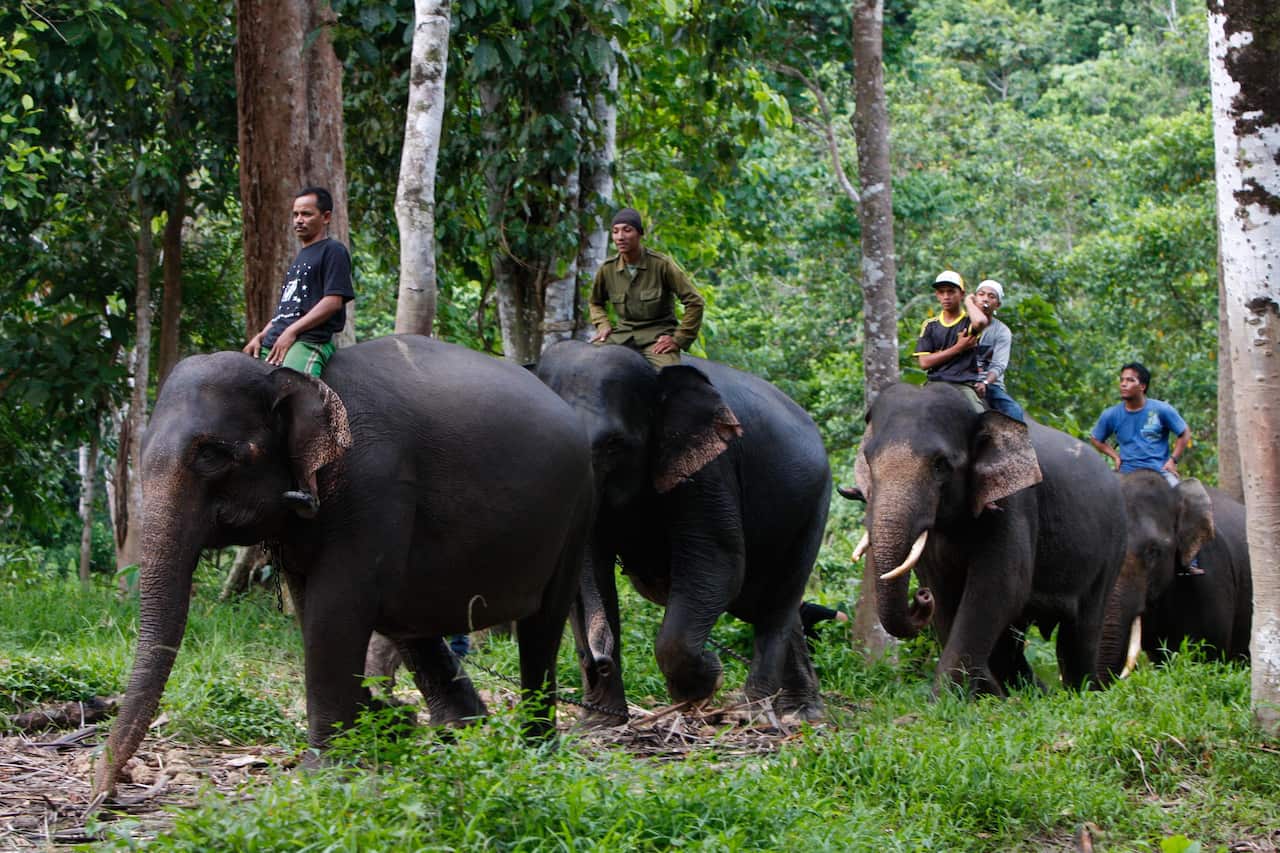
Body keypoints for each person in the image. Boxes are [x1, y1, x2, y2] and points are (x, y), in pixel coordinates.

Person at [243, 186, 355, 515]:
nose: (298, 220)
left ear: (326, 217)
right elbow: (289, 309)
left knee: (294, 397)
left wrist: (292, 332)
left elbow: (333, 301)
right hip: (279, 339)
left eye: (306, 213)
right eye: (295, 214)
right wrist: (261, 334)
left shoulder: (332, 251)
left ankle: (308, 485)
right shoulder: (300, 258)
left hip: (309, 341)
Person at [1089, 362, 1200, 573]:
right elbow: (1096, 438)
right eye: (1122, 380)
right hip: (1126, 472)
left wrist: (1173, 460)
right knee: (1097, 504)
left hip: (1159, 471)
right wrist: (1114, 456)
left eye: (1130, 380)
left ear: (1143, 386)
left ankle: (1189, 559)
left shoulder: (1161, 410)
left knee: (1188, 502)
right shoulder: (1111, 415)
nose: (1123, 384)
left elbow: (1184, 433)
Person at [588, 208, 705, 369]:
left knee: (669, 376)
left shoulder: (661, 265)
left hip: (656, 337)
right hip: (622, 336)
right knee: (590, 366)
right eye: (615, 232)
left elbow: (695, 302)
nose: (620, 237)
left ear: (640, 234)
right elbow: (595, 302)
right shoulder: (607, 269)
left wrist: (679, 339)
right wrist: (603, 324)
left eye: (627, 230)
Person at [914, 270, 989, 411]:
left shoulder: (968, 322)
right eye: (941, 292)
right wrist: (958, 348)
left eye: (951, 291)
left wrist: (969, 301)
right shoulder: (930, 325)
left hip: (962, 386)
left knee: (979, 417)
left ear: (961, 294)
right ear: (937, 295)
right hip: (934, 384)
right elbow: (924, 362)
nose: (946, 297)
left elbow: (980, 322)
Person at [971, 279, 1026, 422]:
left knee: (1014, 411)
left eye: (991, 296)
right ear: (974, 298)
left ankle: (1017, 444)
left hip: (989, 386)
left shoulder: (1002, 331)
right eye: (981, 294)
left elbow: (999, 365)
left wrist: (985, 383)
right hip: (961, 379)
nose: (985, 299)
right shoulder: (960, 324)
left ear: (998, 304)